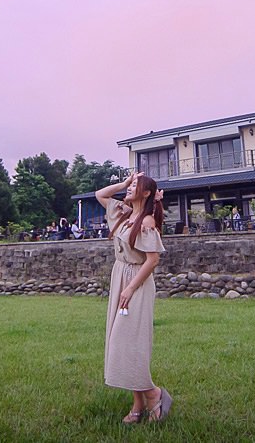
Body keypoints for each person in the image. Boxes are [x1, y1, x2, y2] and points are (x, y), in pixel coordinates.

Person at [96, 171, 173, 424]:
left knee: (128, 341)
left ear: (147, 193)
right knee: (121, 341)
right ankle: (138, 403)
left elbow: (153, 260)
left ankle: (154, 394)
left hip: (136, 282)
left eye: (135, 185)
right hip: (120, 275)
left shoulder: (146, 221)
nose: (130, 188)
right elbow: (100, 195)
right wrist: (125, 183)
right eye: (131, 184)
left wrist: (130, 288)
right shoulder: (124, 214)